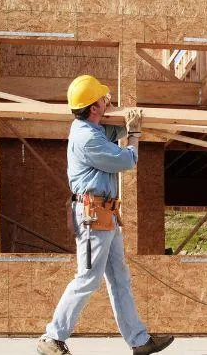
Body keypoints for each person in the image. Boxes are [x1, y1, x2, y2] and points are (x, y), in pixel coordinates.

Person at [37, 75, 174, 355]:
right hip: (92, 216)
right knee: (87, 278)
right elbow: (126, 159)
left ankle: (138, 340)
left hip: (105, 214)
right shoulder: (87, 137)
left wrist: (126, 123)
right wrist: (134, 135)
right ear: (94, 107)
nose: (106, 99)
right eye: (102, 98)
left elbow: (112, 133)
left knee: (119, 277)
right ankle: (52, 337)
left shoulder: (93, 128)